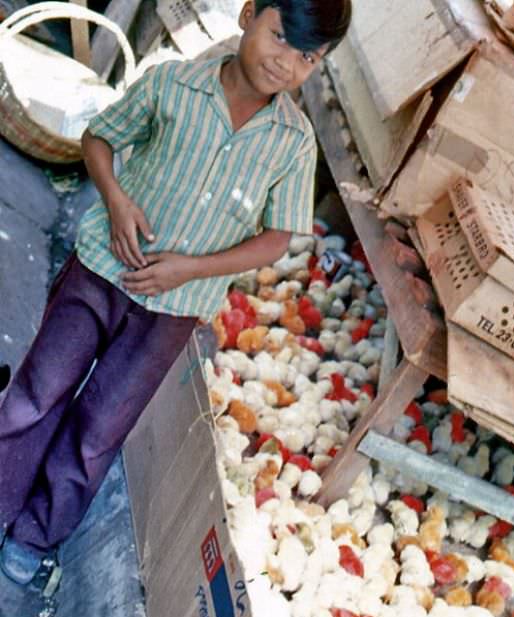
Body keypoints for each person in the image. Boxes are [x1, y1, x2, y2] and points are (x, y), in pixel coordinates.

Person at [0, 0, 351, 587]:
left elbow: (274, 241)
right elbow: (99, 140)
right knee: (38, 392)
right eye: (280, 37)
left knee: (101, 426)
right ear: (247, 15)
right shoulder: (172, 83)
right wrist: (116, 202)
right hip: (99, 270)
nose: (286, 63)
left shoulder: (293, 144)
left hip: (174, 310)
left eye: (307, 57)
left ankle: (36, 533)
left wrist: (192, 268)